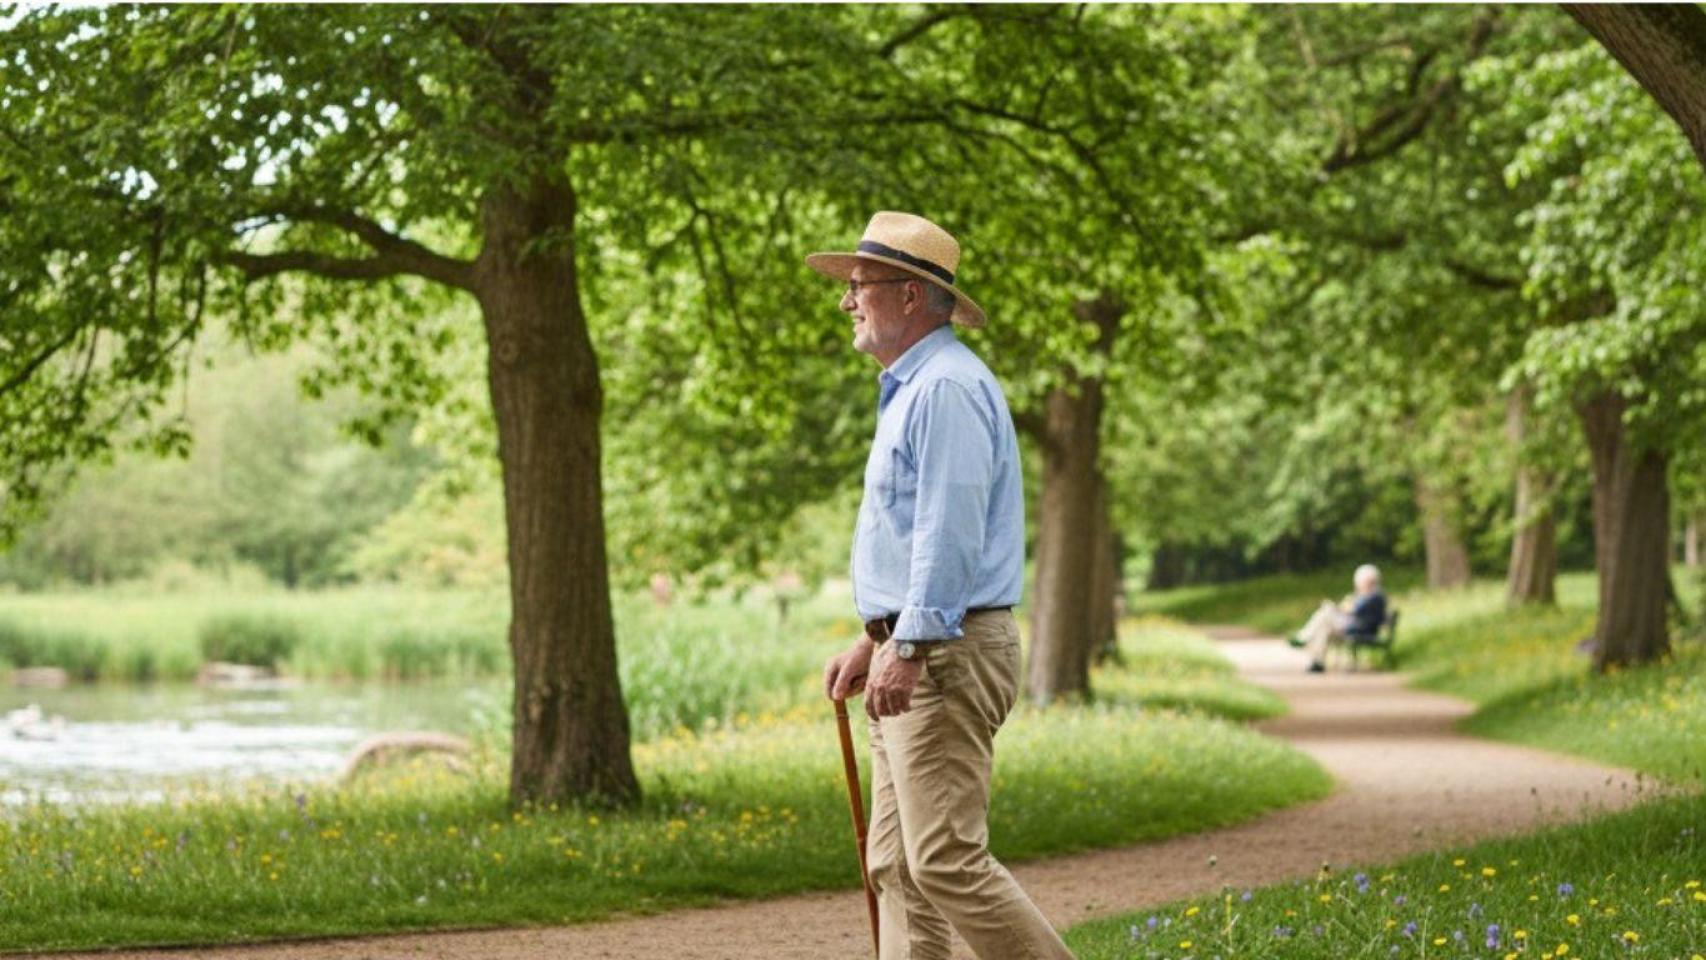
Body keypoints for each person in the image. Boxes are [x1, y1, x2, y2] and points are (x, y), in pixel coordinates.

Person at [814, 212, 1074, 960]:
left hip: (945, 651)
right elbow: (911, 538)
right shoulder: (915, 388)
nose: (847, 301)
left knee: (943, 860)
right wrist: (878, 639)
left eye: (858, 286)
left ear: (907, 296)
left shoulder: (947, 389)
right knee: (896, 866)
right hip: (919, 644)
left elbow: (949, 530)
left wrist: (915, 641)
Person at [1291, 563, 1387, 672]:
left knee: (1326, 611)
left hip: (1361, 629)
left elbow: (1353, 610)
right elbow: (1352, 609)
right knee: (1324, 629)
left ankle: (1304, 637)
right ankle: (1318, 662)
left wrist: (1336, 607)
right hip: (1356, 626)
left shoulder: (1374, 595)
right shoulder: (1368, 595)